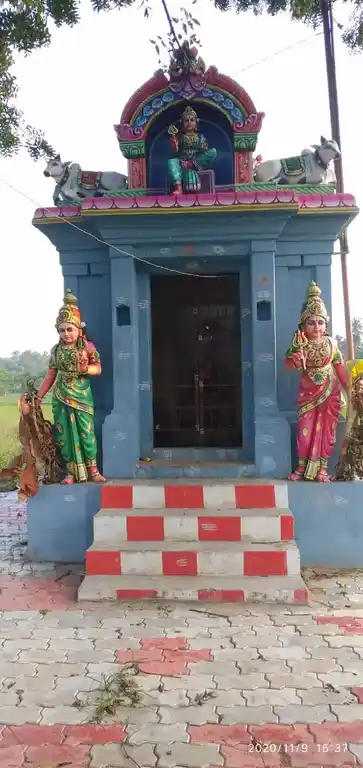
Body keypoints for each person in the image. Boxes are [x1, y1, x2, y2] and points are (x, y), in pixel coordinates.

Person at [37, 289, 104, 484]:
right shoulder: (56, 350)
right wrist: (39, 398)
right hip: (60, 396)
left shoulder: (87, 347)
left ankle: (93, 470)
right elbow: (51, 376)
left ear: (78, 330)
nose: (66, 334)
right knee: (63, 434)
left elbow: (98, 369)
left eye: (70, 329)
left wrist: (85, 369)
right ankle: (70, 472)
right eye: (62, 330)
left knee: (86, 432)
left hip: (81, 396)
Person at [285, 280, 348, 482]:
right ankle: (301, 468)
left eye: (320, 322)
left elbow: (340, 368)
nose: (317, 327)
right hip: (308, 394)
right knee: (305, 430)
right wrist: (295, 360)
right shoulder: (299, 345)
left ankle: (322, 469)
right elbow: (288, 365)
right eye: (311, 322)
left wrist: (352, 390)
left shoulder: (332, 344)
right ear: (303, 325)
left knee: (327, 431)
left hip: (330, 393)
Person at [167, 104, 217, 195]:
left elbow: (205, 150)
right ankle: (178, 188)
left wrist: (203, 147)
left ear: (196, 123)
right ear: (182, 123)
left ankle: (191, 165)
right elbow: (175, 151)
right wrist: (174, 142)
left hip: (195, 162)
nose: (189, 122)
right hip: (182, 163)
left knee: (213, 151)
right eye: (186, 120)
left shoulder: (200, 136)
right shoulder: (180, 137)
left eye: (192, 120)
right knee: (171, 161)